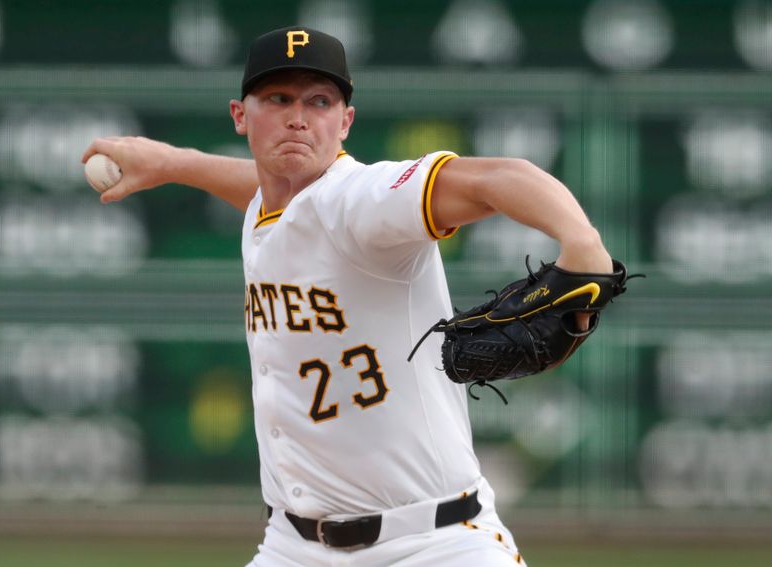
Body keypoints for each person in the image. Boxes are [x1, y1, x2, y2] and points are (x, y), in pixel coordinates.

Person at [83, 26, 613, 567]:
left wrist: (583, 243)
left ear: (345, 122)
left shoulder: (364, 199)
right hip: (294, 548)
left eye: (319, 100)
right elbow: (268, 189)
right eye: (278, 99)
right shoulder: (274, 206)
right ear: (241, 116)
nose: (298, 116)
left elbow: (501, 176)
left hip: (435, 544)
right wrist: (172, 163)